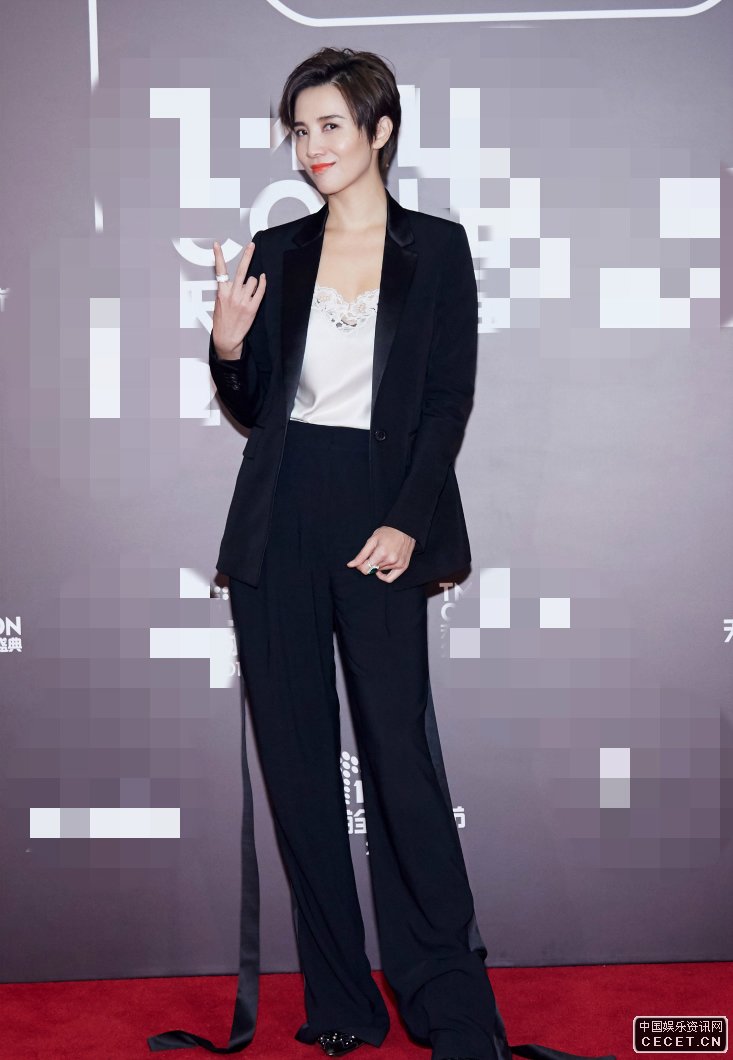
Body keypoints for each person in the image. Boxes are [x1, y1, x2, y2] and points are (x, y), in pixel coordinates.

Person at [148, 47, 615, 1060]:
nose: (312, 147)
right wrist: (226, 348)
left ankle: (449, 1004)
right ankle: (340, 1003)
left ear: (379, 131)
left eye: (330, 126)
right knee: (297, 769)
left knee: (399, 763)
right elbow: (255, 406)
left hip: (381, 517)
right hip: (279, 516)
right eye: (300, 130)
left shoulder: (435, 250)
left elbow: (446, 402)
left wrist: (406, 518)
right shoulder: (276, 249)